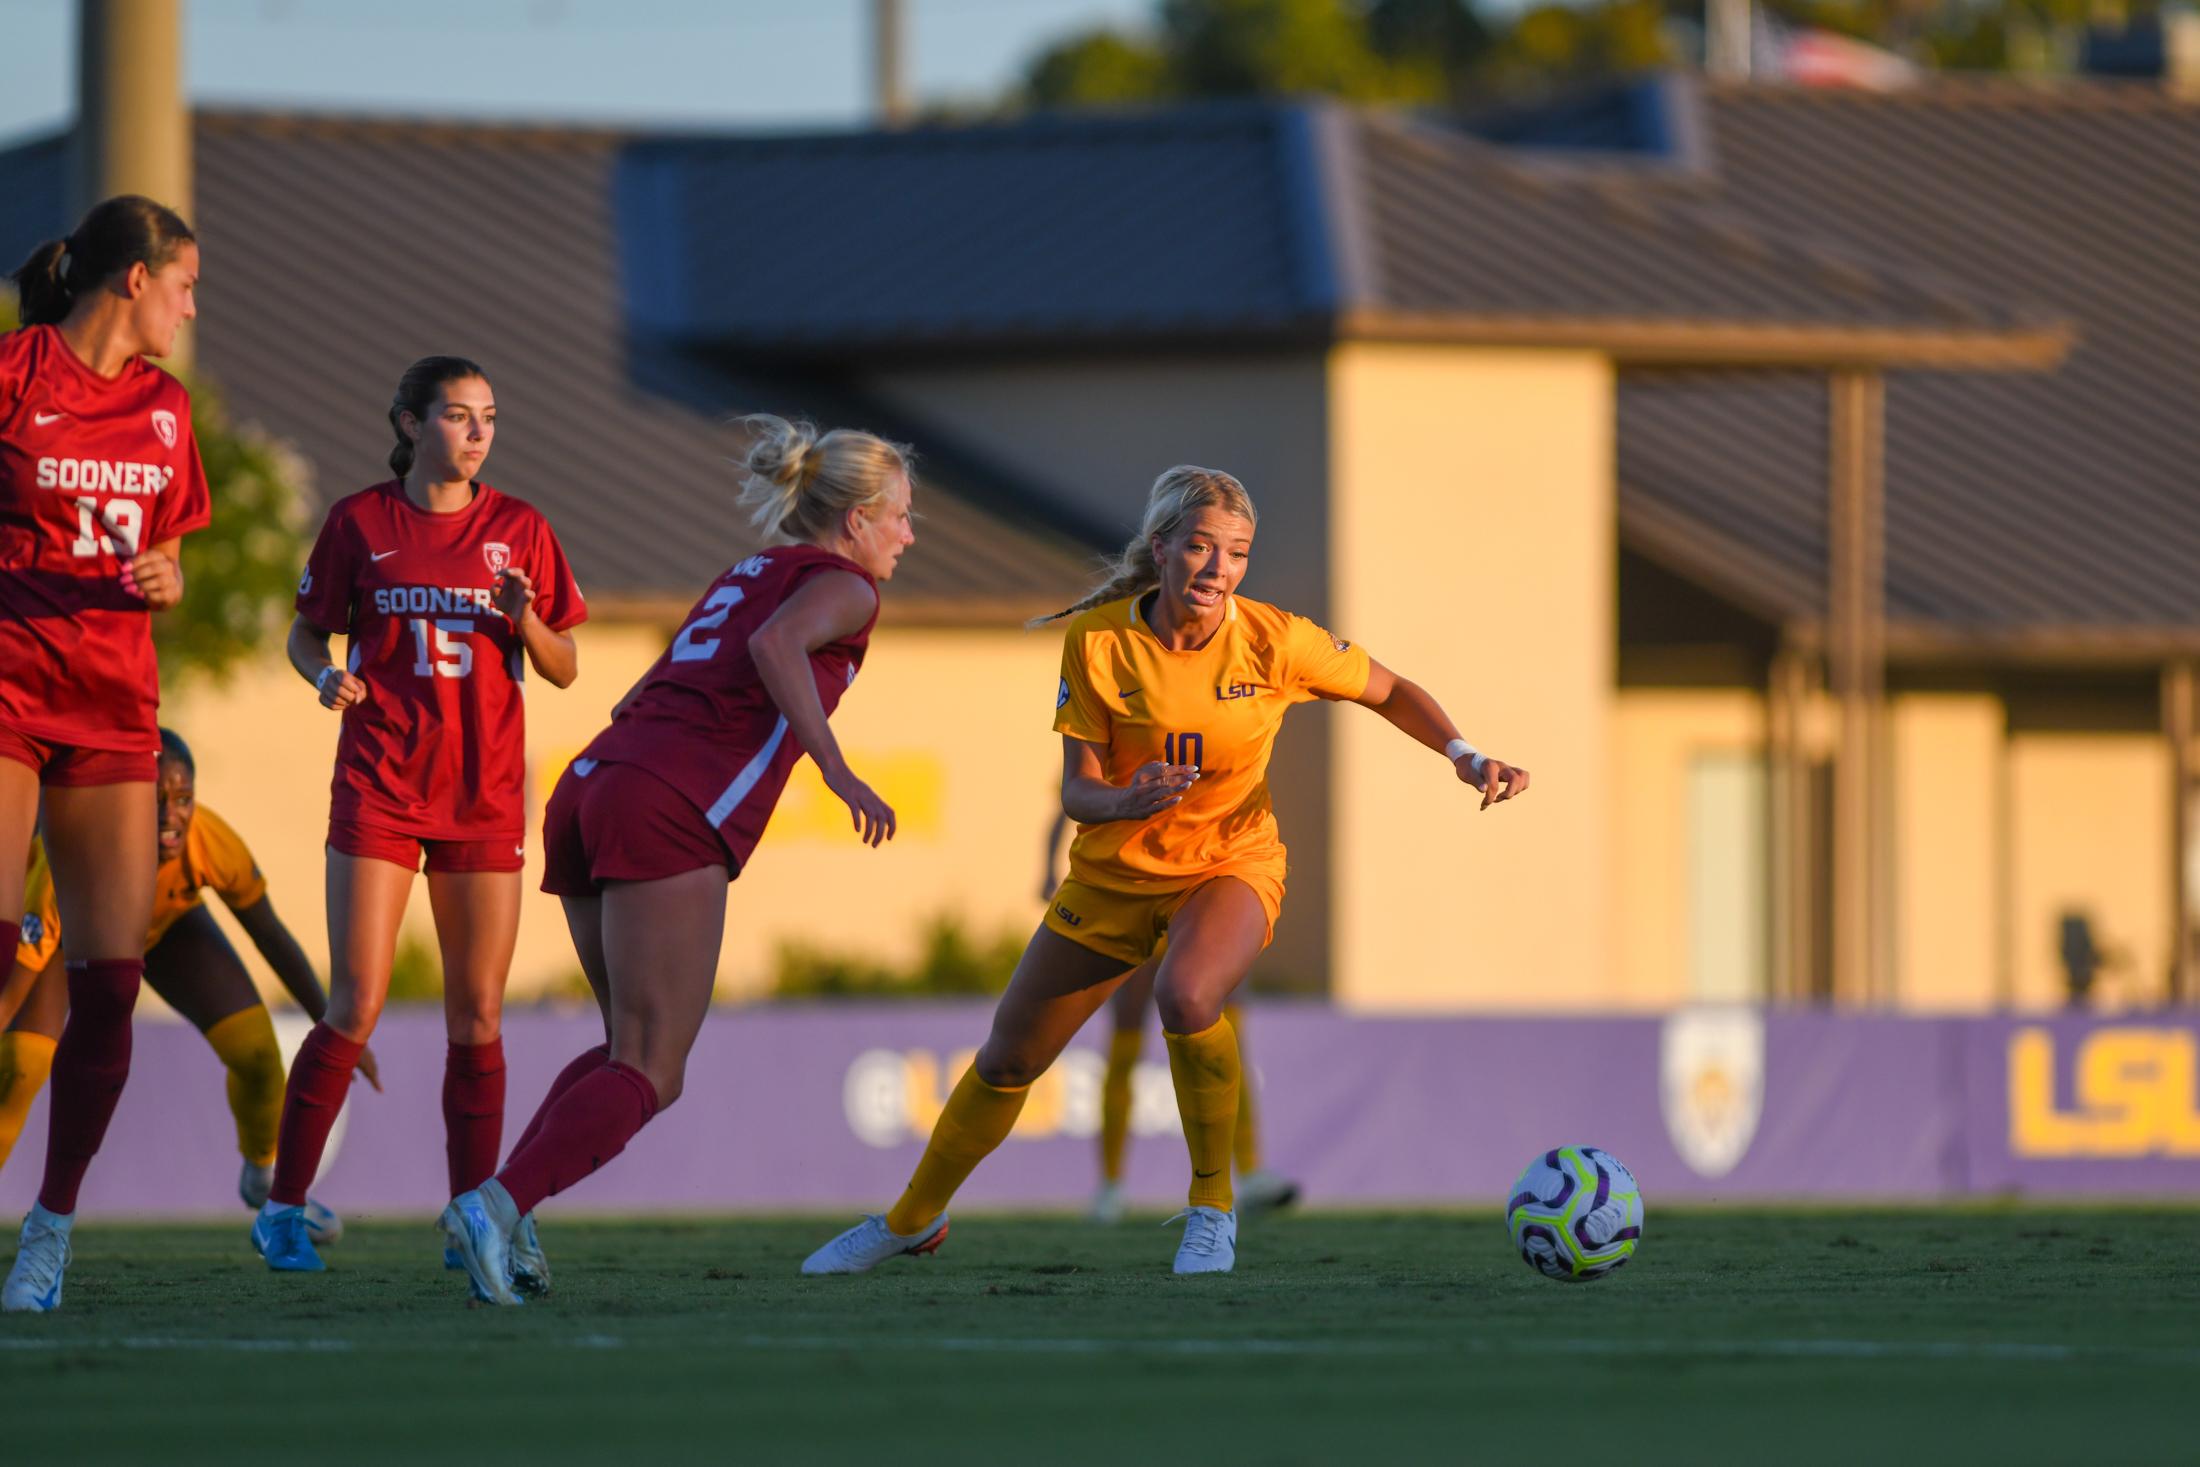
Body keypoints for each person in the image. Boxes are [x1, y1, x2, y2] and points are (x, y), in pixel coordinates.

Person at [805, 465, 1528, 1278]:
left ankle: (1213, 1209)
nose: (1220, 569)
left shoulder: (1275, 639)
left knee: (1186, 993)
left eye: (1238, 554)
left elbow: (1390, 689)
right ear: (1163, 548)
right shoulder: (1101, 640)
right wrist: (1122, 800)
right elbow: (1079, 787)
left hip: (1231, 862)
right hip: (1114, 877)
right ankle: (908, 1219)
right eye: (1202, 547)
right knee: (1009, 1059)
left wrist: (1464, 754)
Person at [438, 415, 912, 1307]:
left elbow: (640, 687)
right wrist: (837, 766)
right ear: (854, 520)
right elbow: (777, 649)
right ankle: (494, 1205)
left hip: (592, 780)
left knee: (627, 1050)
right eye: (898, 516)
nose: (907, 535)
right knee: (655, 1069)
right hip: (667, 802)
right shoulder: (846, 585)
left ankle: (505, 1207)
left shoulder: (745, 572)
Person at [256, 357, 583, 1274]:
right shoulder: (359, 521)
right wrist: (324, 672)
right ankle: (282, 1208)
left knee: (477, 1015)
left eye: (488, 417)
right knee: (354, 1001)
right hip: (380, 786)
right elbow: (305, 629)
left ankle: (470, 1216)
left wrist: (525, 621)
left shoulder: (521, 529)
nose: (477, 432)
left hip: (483, 796)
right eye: (457, 415)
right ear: (408, 423)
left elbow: (564, 666)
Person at [1, 197, 211, 1313]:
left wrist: (170, 575)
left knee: (109, 991)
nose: (191, 304)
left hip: (114, 713)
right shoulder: (15, 373)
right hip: (7, 694)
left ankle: (50, 1230)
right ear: (132, 279)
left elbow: (167, 552)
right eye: (184, 283)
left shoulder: (167, 411)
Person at [0, 731, 379, 1237]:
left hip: (167, 929)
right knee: (19, 1068)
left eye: (183, 799)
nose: (170, 815)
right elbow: (15, 981)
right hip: (77, 936)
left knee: (259, 1055)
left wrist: (334, 1024)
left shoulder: (209, 839)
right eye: (155, 800)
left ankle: (266, 1182)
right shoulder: (75, 857)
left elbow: (269, 933)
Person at [1041, 820, 1297, 1222]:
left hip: (1210, 894)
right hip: (1138, 895)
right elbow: (1069, 802)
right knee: (1125, 1041)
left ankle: (1250, 1175)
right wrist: (1050, 871)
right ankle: (1111, 1184)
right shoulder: (1116, 754)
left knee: (1227, 1039)